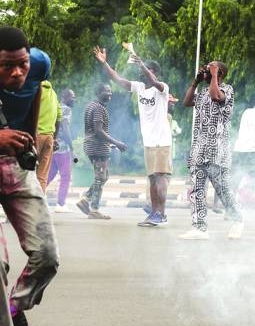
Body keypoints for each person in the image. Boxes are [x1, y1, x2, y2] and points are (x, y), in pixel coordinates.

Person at [0, 27, 60, 326]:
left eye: (21, 64)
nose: (17, 73)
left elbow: (36, 89)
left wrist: (30, 142)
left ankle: (14, 309)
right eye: (7, 67)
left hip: (16, 167)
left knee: (47, 255)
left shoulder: (39, 64)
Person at [94, 47, 172, 227]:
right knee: (152, 178)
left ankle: (160, 214)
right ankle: (155, 213)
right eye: (141, 70)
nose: (142, 73)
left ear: (155, 73)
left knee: (160, 178)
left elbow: (154, 81)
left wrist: (141, 64)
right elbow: (118, 79)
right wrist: (104, 62)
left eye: (146, 70)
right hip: (149, 141)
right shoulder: (139, 87)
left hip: (162, 141)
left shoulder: (162, 89)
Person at [179, 61, 242, 240]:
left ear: (219, 72)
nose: (205, 71)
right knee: (197, 190)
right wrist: (195, 82)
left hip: (217, 151)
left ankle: (238, 220)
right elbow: (186, 102)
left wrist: (213, 74)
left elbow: (216, 97)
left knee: (222, 190)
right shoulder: (203, 92)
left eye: (208, 69)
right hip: (199, 149)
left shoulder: (227, 90)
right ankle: (199, 228)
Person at [77, 83, 127, 220]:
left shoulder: (92, 106)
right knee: (100, 178)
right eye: (106, 91)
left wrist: (109, 144)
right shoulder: (98, 108)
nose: (110, 94)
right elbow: (98, 131)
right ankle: (94, 209)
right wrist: (116, 142)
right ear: (98, 93)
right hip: (97, 147)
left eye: (111, 91)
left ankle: (86, 199)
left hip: (94, 146)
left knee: (104, 177)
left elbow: (94, 131)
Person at [48, 88, 76, 212]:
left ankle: (36, 196)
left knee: (50, 174)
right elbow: (65, 129)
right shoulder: (67, 109)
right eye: (72, 97)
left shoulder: (56, 106)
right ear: (64, 98)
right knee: (66, 176)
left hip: (53, 146)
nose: (74, 99)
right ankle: (60, 204)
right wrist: (72, 147)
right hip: (63, 147)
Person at [34, 80, 60, 192]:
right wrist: (54, 138)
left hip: (34, 135)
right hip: (49, 137)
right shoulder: (53, 93)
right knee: (42, 175)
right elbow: (59, 116)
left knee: (27, 173)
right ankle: (39, 203)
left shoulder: (34, 90)